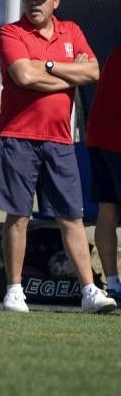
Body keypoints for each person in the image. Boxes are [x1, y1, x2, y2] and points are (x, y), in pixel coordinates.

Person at [0, 0, 115, 314]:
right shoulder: (11, 32)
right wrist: (65, 74)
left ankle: (89, 291)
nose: (34, 2)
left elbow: (93, 73)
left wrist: (45, 65)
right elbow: (23, 76)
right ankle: (14, 290)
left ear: (55, 1)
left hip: (59, 140)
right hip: (17, 138)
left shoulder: (71, 31)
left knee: (71, 216)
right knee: (17, 215)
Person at [86, 42, 121, 302]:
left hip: (100, 137)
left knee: (107, 211)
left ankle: (113, 284)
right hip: (112, 139)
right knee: (108, 211)